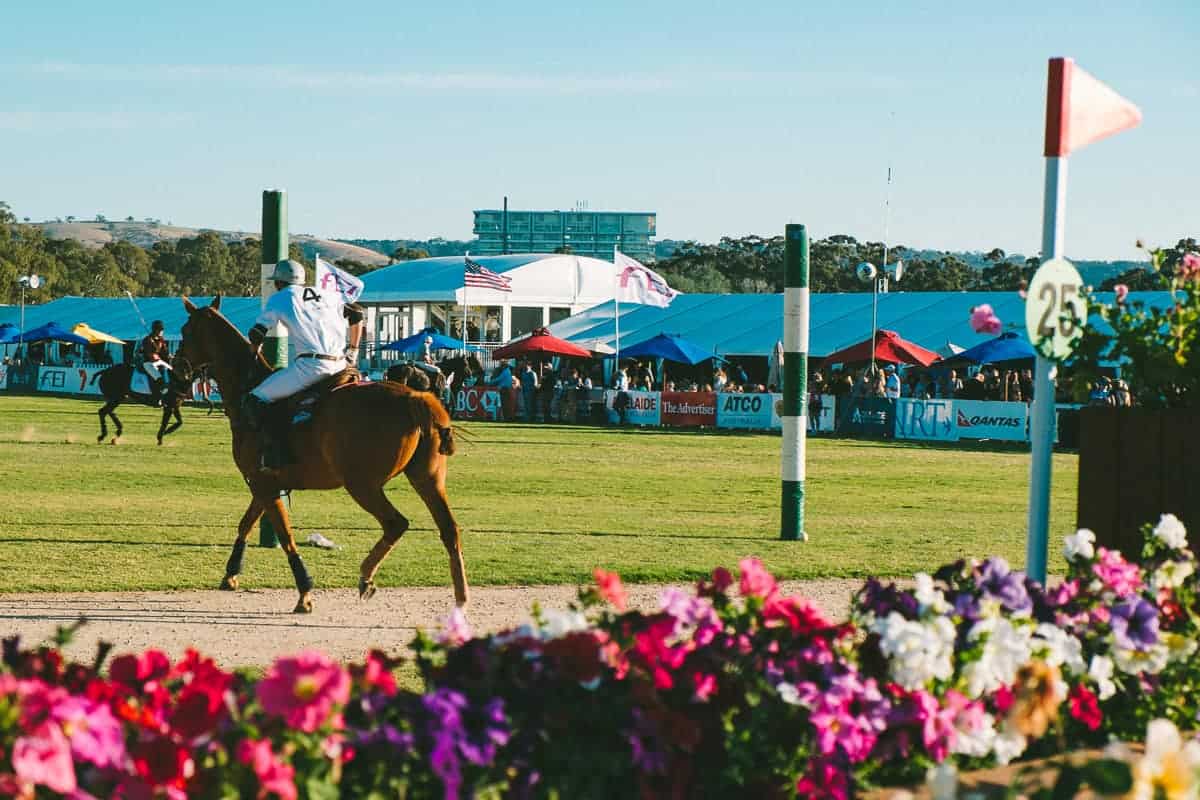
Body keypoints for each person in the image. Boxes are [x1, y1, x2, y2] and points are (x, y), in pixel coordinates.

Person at [242, 259, 366, 471]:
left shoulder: (279, 298)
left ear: (279, 282)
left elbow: (256, 332)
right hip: (341, 365)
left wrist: (254, 350)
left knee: (255, 399)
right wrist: (353, 351)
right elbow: (357, 314)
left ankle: (275, 455)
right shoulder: (328, 293)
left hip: (311, 366)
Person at [140, 320, 172, 407]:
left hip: (159, 362)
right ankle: (156, 398)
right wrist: (154, 354)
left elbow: (165, 352)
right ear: (156, 330)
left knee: (171, 371)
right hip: (148, 363)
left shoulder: (161, 340)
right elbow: (149, 354)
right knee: (159, 379)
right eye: (160, 330)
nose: (162, 331)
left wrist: (169, 355)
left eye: (162, 330)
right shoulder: (147, 340)